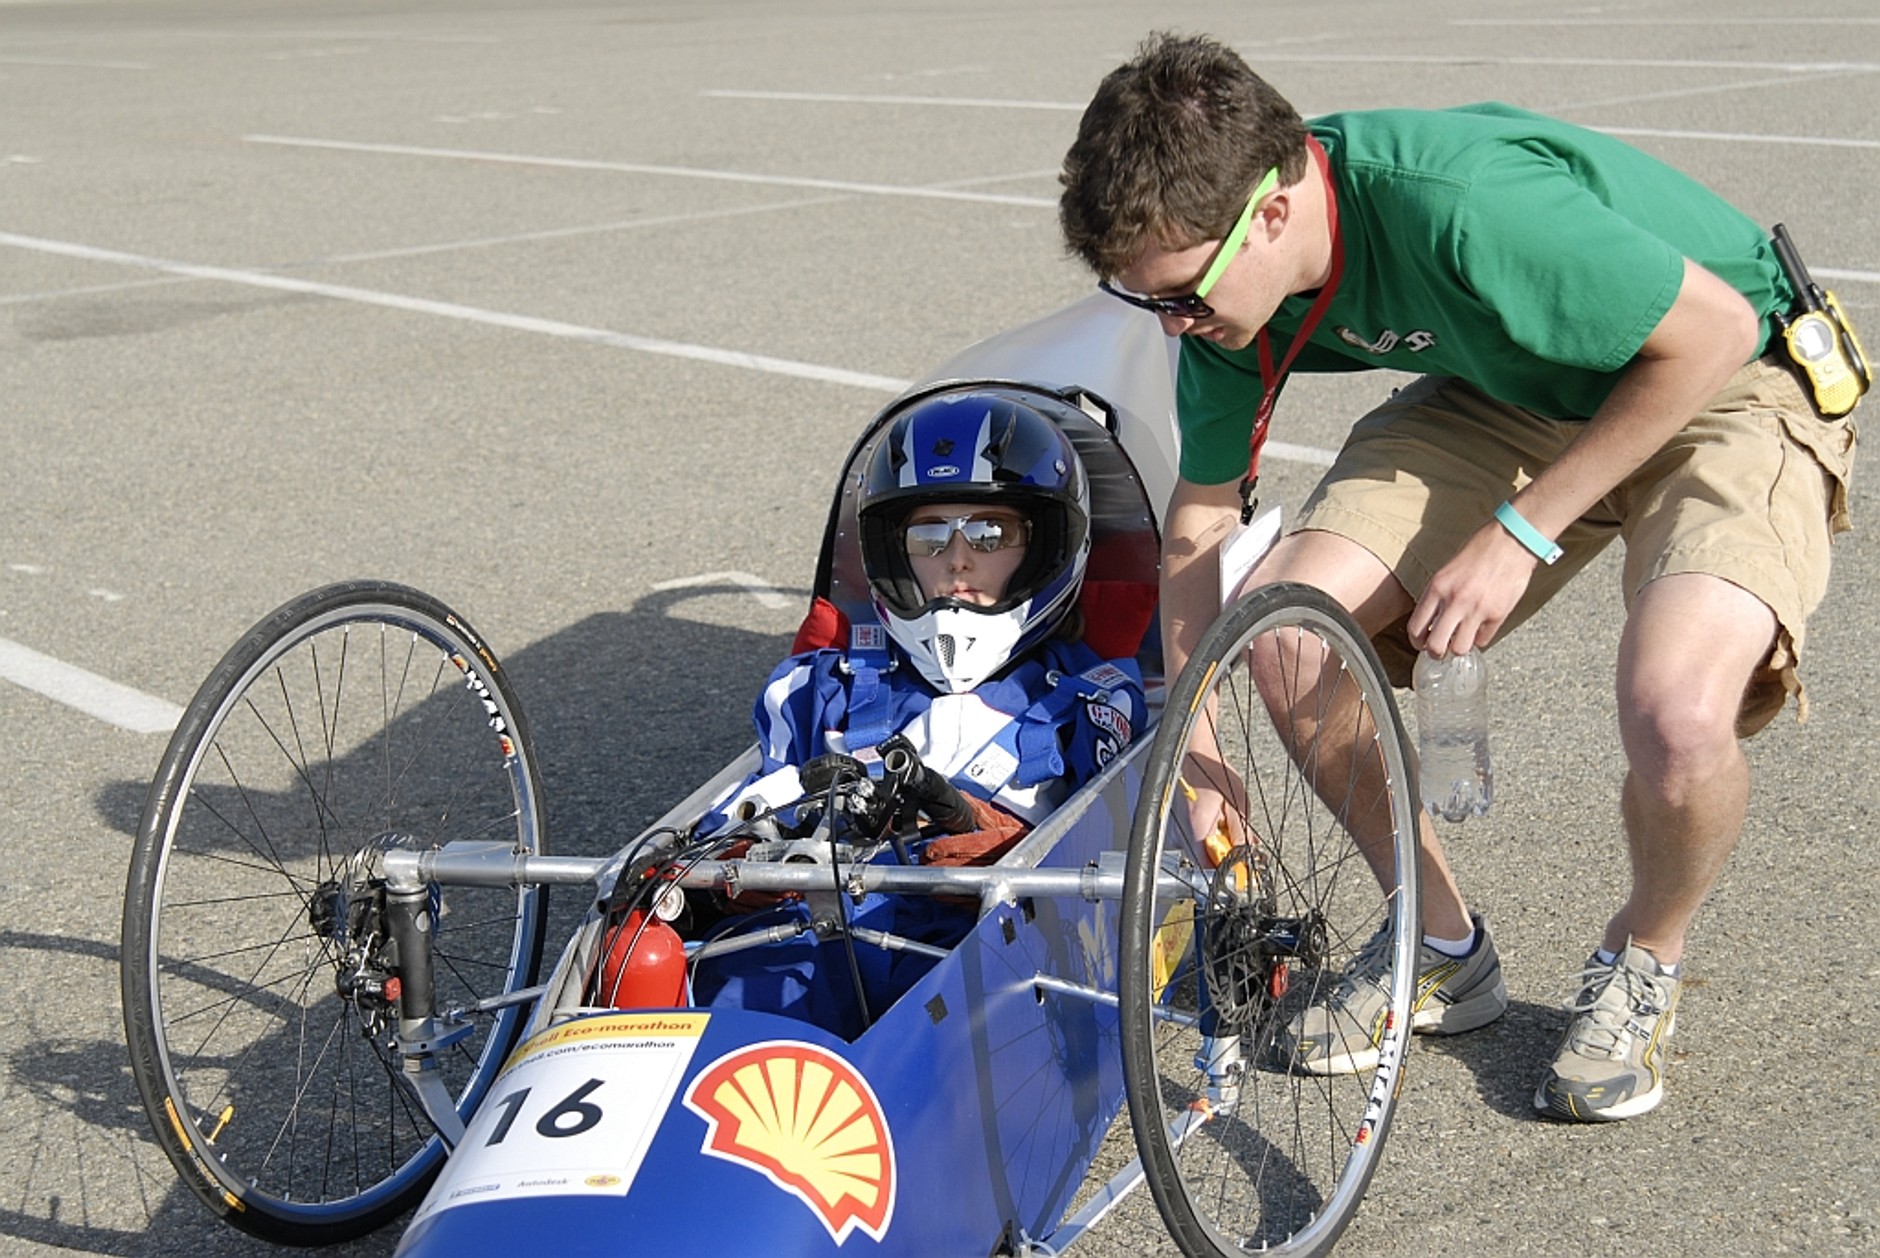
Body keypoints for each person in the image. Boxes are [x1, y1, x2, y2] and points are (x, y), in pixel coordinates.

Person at [1057, 32, 1859, 1121]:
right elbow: (1198, 524)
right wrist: (1197, 756)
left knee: (1674, 711)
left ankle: (1645, 958)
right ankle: (1438, 944)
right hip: (1513, 390)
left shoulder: (1456, 205)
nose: (1174, 325)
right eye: (1147, 301)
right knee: (1286, 634)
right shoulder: (1216, 296)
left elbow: (1709, 333)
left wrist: (1519, 532)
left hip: (1726, 377)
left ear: (1274, 210)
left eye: (1184, 297)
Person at [688, 387, 1148, 1036]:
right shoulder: (824, 683)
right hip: (806, 934)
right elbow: (739, 804)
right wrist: (738, 851)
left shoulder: (1091, 696)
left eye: (990, 533)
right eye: (929, 536)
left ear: (1045, 544)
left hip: (973, 965)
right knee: (709, 991)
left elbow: (1097, 839)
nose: (957, 559)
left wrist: (997, 833)